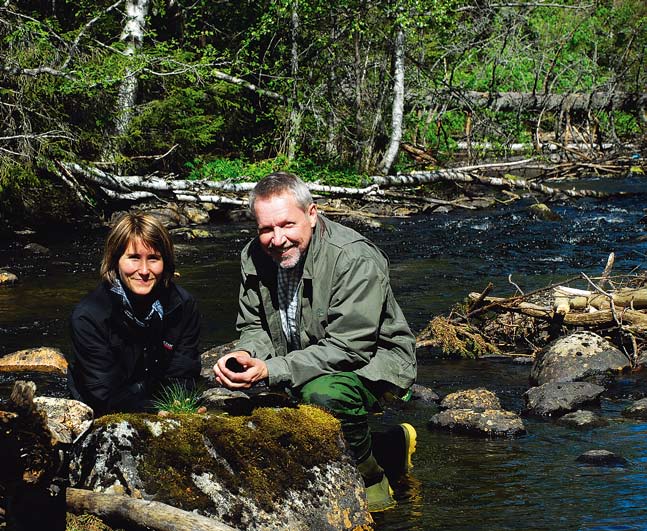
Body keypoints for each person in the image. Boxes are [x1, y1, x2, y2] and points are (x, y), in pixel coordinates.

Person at [214, 172, 417, 512]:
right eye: (266, 229)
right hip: (304, 355)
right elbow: (253, 325)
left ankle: (370, 477)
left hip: (373, 361)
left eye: (287, 225)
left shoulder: (352, 258)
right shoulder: (254, 256)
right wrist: (246, 355)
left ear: (312, 214)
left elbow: (349, 348)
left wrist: (271, 370)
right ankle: (388, 444)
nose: (277, 239)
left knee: (323, 395)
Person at [67, 212, 201, 416]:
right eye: (134, 258)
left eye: (154, 258)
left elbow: (183, 373)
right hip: (101, 410)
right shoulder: (88, 317)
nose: (144, 270)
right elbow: (102, 391)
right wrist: (153, 413)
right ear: (115, 261)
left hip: (157, 401)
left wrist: (179, 409)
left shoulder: (183, 306)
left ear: (165, 262)